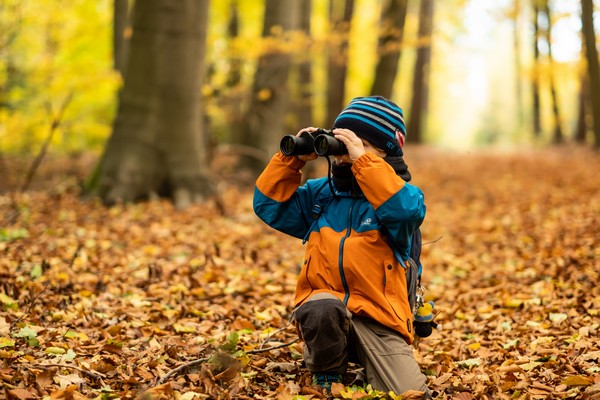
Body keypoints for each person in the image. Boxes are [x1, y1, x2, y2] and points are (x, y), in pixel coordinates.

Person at [253, 96, 431, 397]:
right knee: (322, 306)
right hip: (328, 311)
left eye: (358, 143)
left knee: (408, 393)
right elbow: (268, 205)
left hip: (380, 321)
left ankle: (366, 359)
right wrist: (292, 159)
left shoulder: (402, 198)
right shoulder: (321, 196)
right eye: (340, 141)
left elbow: (405, 211)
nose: (344, 152)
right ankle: (327, 369)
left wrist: (363, 162)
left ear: (384, 153)